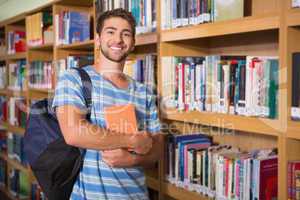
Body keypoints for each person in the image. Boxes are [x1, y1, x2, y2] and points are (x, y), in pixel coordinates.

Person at [53, 8, 162, 200]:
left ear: (133, 43)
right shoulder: (74, 78)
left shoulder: (143, 91)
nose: (118, 40)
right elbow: (74, 133)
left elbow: (157, 150)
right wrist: (131, 141)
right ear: (98, 39)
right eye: (110, 32)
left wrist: (132, 159)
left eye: (125, 34)